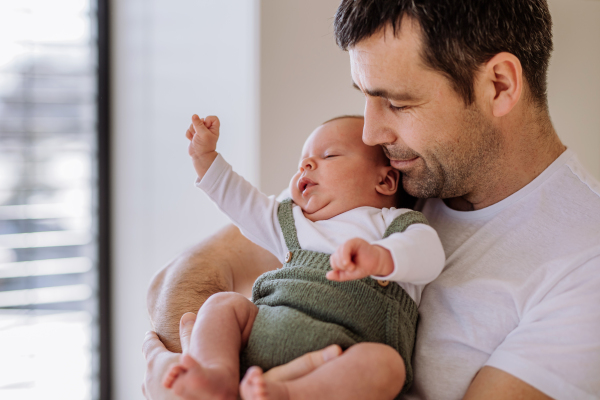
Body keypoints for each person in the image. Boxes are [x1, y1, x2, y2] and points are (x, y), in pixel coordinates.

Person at [143, 1, 600, 399]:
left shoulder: (584, 269)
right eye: (364, 96)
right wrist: (199, 376)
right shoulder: (388, 177)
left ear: (498, 85)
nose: (370, 134)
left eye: (397, 103)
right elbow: (179, 277)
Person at [161, 114, 444, 400]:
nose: (305, 165)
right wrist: (205, 158)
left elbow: (430, 255)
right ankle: (217, 374)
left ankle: (288, 393)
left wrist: (381, 258)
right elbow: (240, 201)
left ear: (384, 180)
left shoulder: (395, 224)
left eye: (328, 155)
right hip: (263, 329)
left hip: (343, 360)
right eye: (302, 162)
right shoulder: (291, 221)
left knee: (388, 365)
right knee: (222, 304)